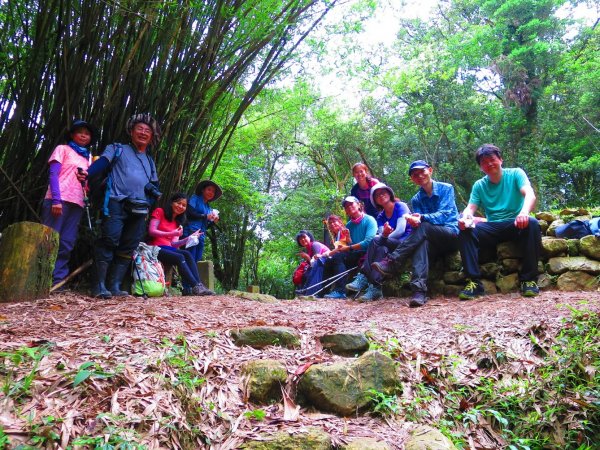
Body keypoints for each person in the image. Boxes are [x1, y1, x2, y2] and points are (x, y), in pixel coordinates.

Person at [86, 113, 161, 298]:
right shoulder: (117, 148)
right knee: (109, 240)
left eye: (147, 130)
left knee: (129, 245)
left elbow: (154, 185)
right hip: (115, 202)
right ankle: (99, 286)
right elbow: (102, 163)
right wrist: (86, 173)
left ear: (152, 136)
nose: (143, 133)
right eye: (140, 129)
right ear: (131, 131)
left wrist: (151, 201)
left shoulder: (150, 161)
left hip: (140, 208)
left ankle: (115, 286)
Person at [456, 144, 541, 300]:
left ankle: (529, 280)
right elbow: (470, 208)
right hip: (492, 226)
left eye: (492, 159)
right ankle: (474, 283)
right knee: (465, 230)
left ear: (500, 159)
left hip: (515, 223)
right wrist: (465, 218)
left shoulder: (516, 174)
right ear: (481, 167)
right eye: (484, 162)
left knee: (533, 223)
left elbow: (529, 194)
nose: (489, 164)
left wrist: (523, 213)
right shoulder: (479, 185)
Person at [371, 160, 460, 307]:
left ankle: (393, 261)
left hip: (450, 234)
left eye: (422, 172)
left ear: (430, 170)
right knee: (421, 242)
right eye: (415, 175)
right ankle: (419, 292)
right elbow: (418, 225)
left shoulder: (446, 188)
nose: (419, 176)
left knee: (424, 226)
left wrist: (422, 219)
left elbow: (445, 214)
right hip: (431, 240)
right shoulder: (416, 199)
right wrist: (414, 222)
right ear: (412, 179)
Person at [41, 120, 94, 288]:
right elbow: (53, 175)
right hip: (59, 200)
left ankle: (57, 281)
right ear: (72, 134)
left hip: (77, 203)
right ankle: (41, 279)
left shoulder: (89, 158)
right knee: (50, 239)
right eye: (80, 132)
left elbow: (87, 186)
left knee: (66, 242)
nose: (84, 135)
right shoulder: (62, 149)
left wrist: (86, 181)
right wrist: (56, 200)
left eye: (87, 133)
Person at [348, 183, 412, 302]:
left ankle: (363, 275)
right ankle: (375, 287)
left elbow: (400, 230)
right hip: (389, 245)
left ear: (390, 193)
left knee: (376, 239)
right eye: (377, 195)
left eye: (383, 192)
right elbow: (383, 235)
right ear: (375, 201)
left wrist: (384, 237)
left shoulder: (400, 206)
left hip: (405, 243)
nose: (381, 196)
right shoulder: (381, 216)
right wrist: (384, 237)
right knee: (381, 248)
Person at [147, 193, 214, 296]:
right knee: (180, 256)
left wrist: (189, 238)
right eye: (178, 203)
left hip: (168, 249)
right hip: (155, 248)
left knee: (187, 254)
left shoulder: (177, 222)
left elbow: (173, 244)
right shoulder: (160, 211)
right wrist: (172, 233)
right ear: (171, 203)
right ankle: (195, 286)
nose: (181, 207)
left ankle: (199, 285)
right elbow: (152, 231)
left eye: (184, 205)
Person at [323, 197, 377, 299]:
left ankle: (340, 291)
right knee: (331, 260)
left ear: (359, 205)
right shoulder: (349, 225)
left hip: (368, 253)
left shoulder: (369, 220)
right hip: (355, 253)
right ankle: (325, 291)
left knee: (338, 257)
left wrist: (348, 247)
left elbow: (369, 241)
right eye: (346, 207)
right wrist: (348, 239)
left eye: (351, 204)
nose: (349, 207)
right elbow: (350, 244)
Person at [184, 180, 222, 262]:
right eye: (209, 189)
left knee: (198, 260)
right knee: (190, 258)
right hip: (191, 232)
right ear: (202, 190)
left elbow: (206, 225)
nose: (211, 193)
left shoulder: (208, 208)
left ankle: (195, 275)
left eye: (213, 191)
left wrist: (213, 222)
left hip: (201, 235)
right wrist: (205, 216)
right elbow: (189, 213)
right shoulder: (195, 198)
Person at [294, 230, 328, 297]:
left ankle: (311, 293)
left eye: (304, 237)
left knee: (308, 273)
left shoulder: (315, 245)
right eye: (300, 239)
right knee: (302, 275)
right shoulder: (308, 249)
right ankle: (303, 292)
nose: (302, 240)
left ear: (309, 237)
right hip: (320, 265)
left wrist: (307, 257)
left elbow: (317, 260)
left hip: (326, 263)